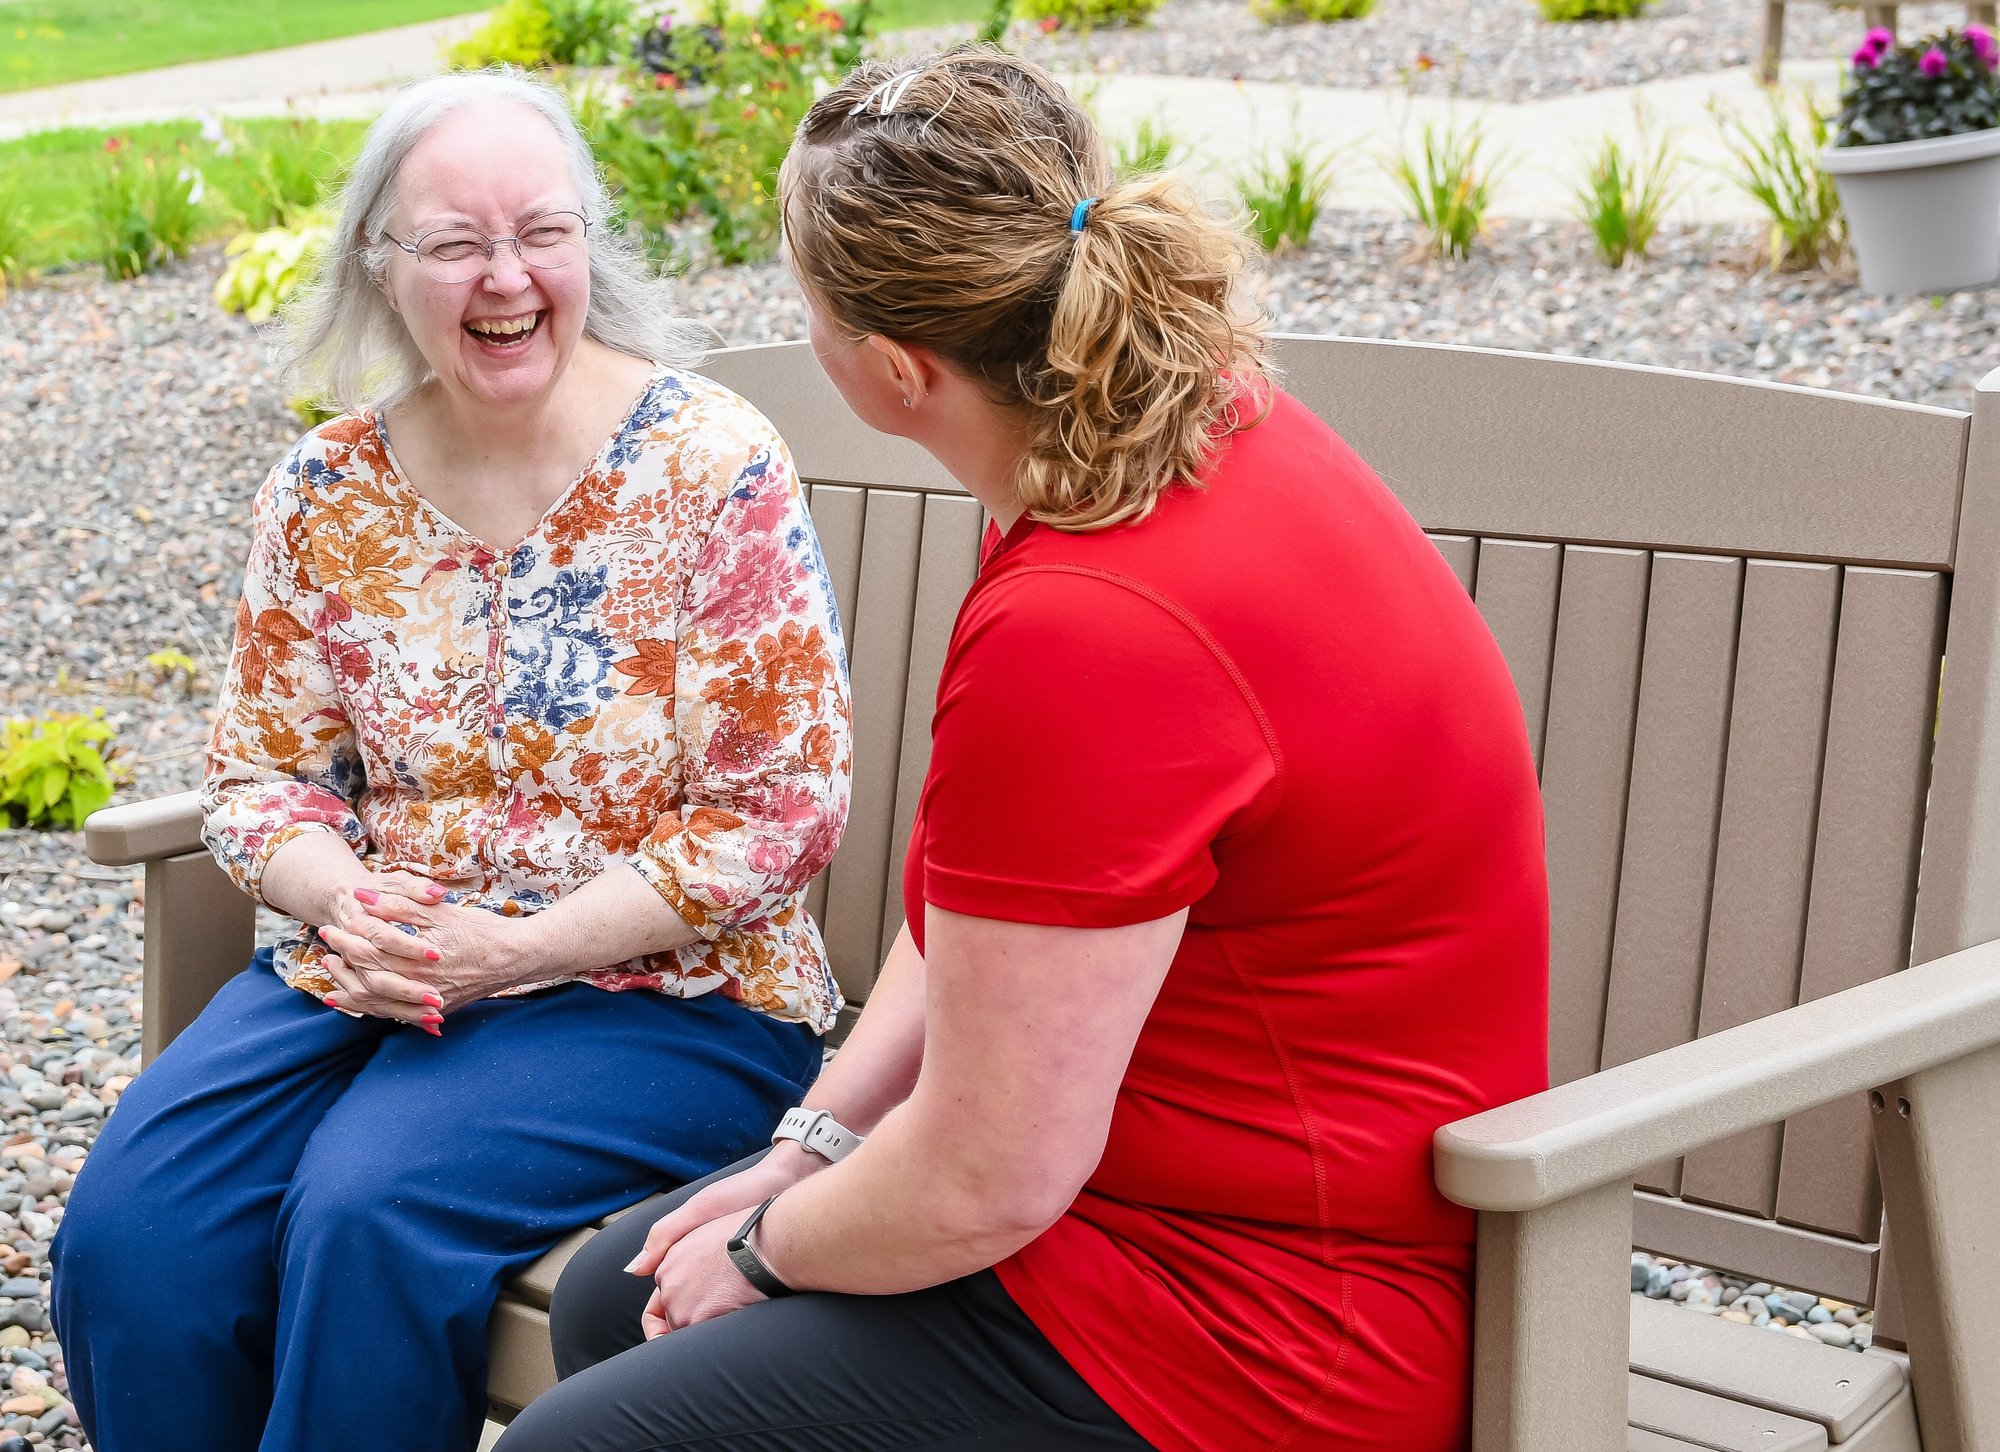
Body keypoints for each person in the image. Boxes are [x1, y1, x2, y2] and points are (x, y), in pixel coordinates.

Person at [498, 47, 1549, 1452]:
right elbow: (985, 919)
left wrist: (765, 1249)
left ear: (893, 370)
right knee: (614, 1304)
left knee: (594, 1429)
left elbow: (989, 1176)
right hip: (1140, 1215)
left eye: (800, 297)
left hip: (1268, 1328)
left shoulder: (1091, 623)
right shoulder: (1144, 432)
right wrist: (808, 1146)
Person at [49, 69, 852, 1452]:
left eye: (542, 230)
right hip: (380, 963)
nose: (507, 276)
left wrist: (511, 952)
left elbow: (776, 814)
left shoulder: (712, 468)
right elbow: (260, 778)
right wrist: (344, 899)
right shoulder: (326, 490)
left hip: (666, 989)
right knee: (135, 1237)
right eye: (454, 241)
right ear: (380, 264)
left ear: (589, 243)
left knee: (368, 1215)